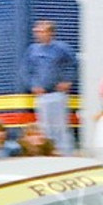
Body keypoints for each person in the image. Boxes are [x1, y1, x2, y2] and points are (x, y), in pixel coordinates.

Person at [20, 19, 77, 154]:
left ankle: (65, 154)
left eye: (42, 31)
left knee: (60, 127)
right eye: (37, 31)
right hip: (42, 96)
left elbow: (74, 64)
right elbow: (24, 70)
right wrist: (32, 85)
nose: (38, 34)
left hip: (57, 95)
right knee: (45, 128)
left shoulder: (61, 48)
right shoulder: (32, 50)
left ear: (50, 33)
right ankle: (48, 153)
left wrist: (68, 81)